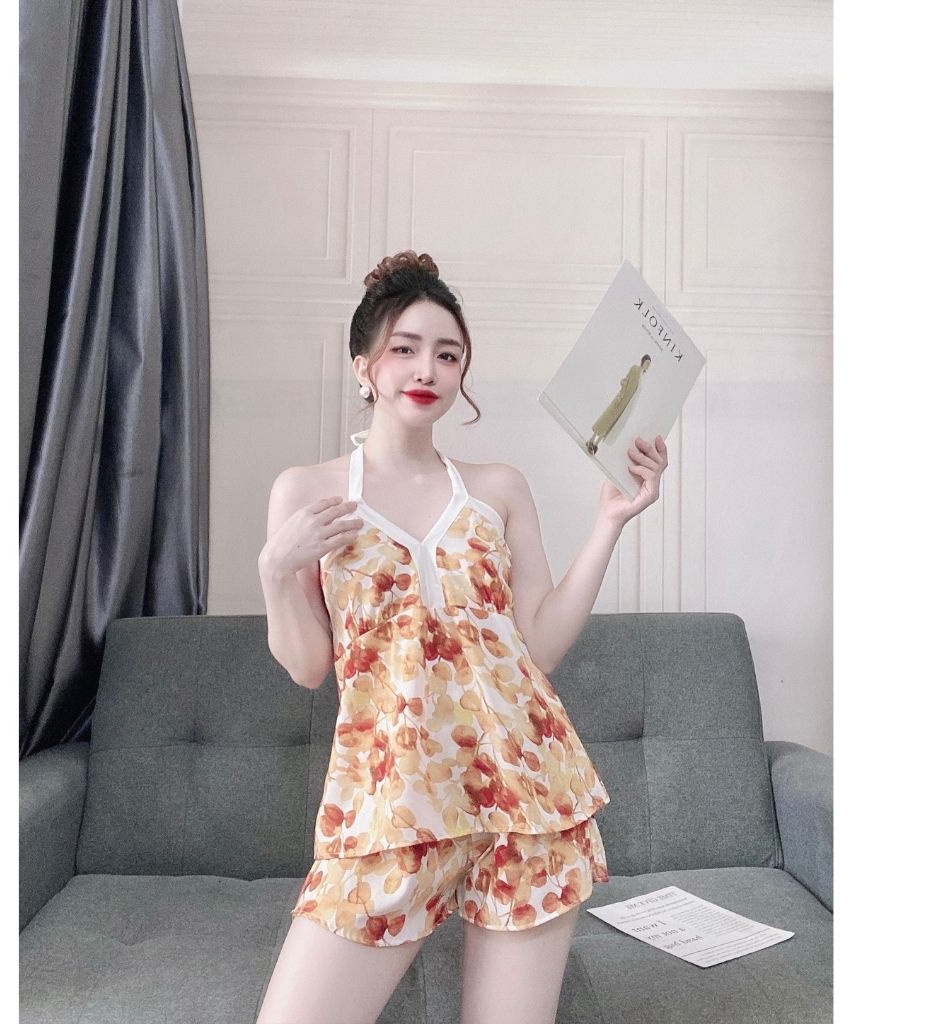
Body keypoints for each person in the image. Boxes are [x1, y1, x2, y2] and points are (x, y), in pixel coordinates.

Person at [255, 251, 668, 1024]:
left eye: (448, 355)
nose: (428, 369)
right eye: (405, 348)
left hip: (527, 793)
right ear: (364, 367)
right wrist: (277, 570)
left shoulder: (497, 488)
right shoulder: (308, 493)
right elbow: (309, 666)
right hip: (390, 804)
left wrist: (609, 522)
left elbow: (539, 646)